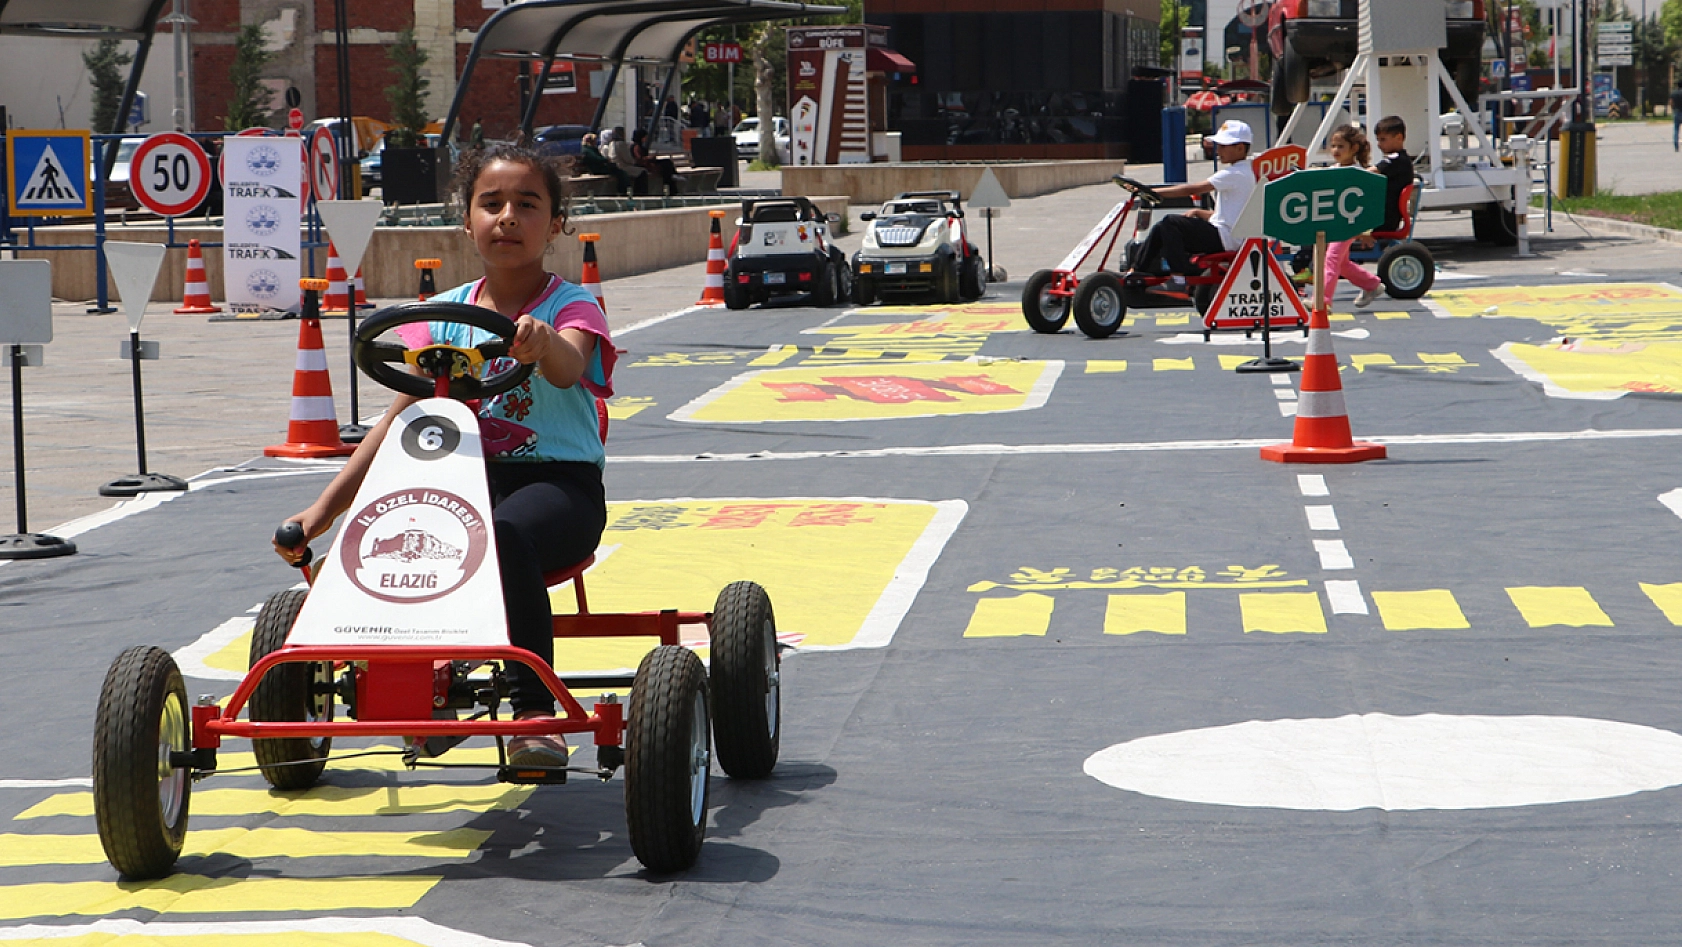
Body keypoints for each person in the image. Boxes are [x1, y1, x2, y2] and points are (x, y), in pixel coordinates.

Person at [275, 142, 616, 769]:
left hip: (556, 488)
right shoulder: (444, 318)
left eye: (527, 204)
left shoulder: (571, 306)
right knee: (400, 534)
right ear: (467, 221)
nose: (507, 217)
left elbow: (570, 367)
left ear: (556, 224)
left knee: (501, 536)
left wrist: (543, 346)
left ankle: (534, 710)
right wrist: (321, 511)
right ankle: (431, 694)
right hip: (459, 483)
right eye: (491, 204)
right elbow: (400, 416)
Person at [1123, 119, 1256, 293]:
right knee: (1160, 228)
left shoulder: (1236, 173)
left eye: (1224, 146)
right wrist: (1199, 212)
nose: (1219, 150)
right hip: (1225, 234)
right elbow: (1230, 216)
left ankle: (1179, 277)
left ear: (1240, 148)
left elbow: (1194, 188)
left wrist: (1154, 192)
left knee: (1171, 223)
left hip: (1226, 239)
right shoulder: (1243, 172)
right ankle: (1135, 272)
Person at [1321, 124, 1384, 310]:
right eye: (1333, 146)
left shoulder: (1359, 174)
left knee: (1331, 258)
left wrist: (1365, 230)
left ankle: (1324, 301)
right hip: (1337, 223)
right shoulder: (1334, 169)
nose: (1335, 150)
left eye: (1340, 146)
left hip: (1350, 223)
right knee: (1342, 263)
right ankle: (1372, 285)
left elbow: (1367, 203)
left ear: (1354, 148)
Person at [1372, 115, 1414, 234]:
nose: (1379, 144)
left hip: (1384, 220)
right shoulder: (1404, 159)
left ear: (1399, 138)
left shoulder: (1395, 159)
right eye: (1378, 140)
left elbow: (1371, 172)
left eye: (1383, 139)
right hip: (1390, 218)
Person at [631, 128, 682, 194]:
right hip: (646, 165)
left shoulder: (639, 145)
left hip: (649, 162)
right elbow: (639, 159)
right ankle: (671, 186)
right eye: (645, 137)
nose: (646, 138)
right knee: (665, 167)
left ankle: (671, 182)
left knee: (667, 162)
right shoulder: (636, 147)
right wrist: (650, 157)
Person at [601, 125, 646, 194]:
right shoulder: (621, 144)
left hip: (616, 166)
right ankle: (639, 193)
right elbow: (628, 159)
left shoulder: (611, 144)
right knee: (643, 172)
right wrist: (634, 162)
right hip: (622, 166)